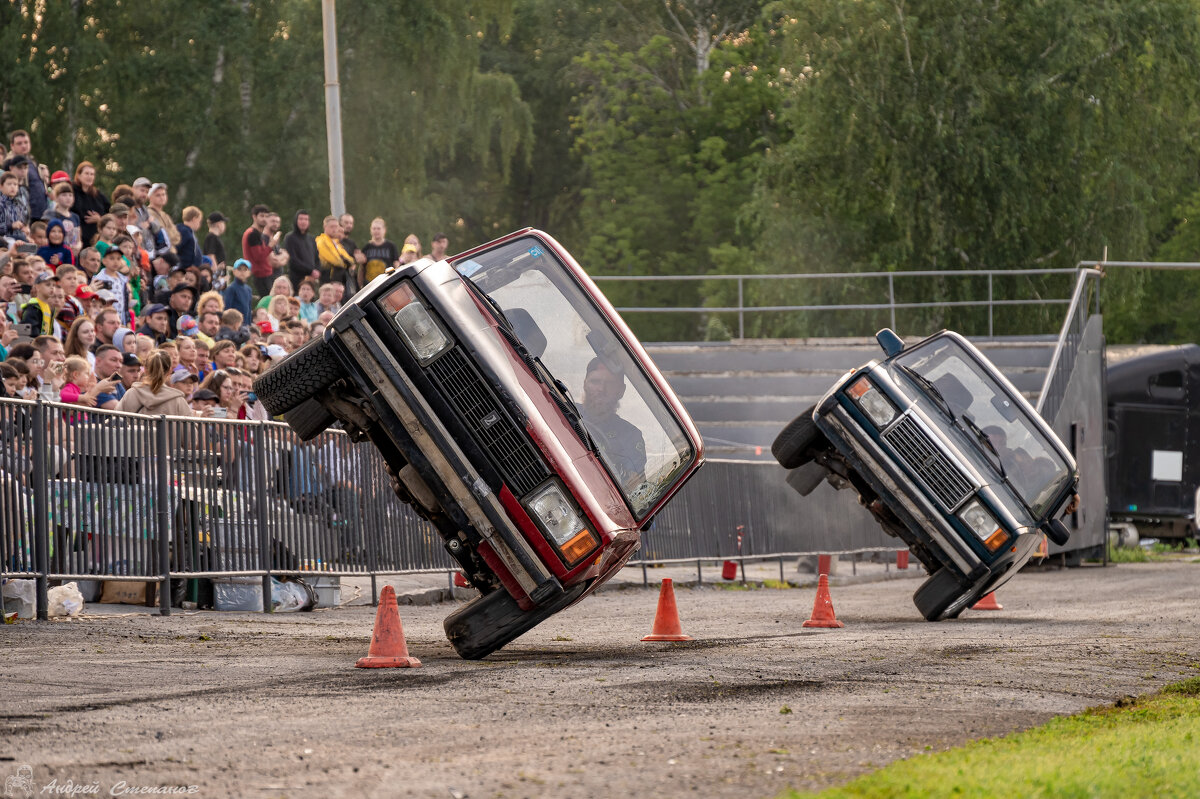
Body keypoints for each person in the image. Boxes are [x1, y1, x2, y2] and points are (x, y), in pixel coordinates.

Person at [580, 357, 646, 488]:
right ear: (585, 384)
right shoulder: (562, 411)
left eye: (610, 383)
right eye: (595, 381)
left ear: (621, 391)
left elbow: (633, 488)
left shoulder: (631, 437)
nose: (601, 389)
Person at [116, 350, 194, 416]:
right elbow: (191, 432)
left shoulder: (131, 394)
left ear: (145, 369)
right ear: (170, 371)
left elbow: (115, 423)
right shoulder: (178, 402)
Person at [7, 129, 47, 220]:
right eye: (19, 143)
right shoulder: (9, 163)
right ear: (12, 146)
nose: (24, 146)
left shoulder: (31, 161)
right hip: (25, 215)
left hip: (41, 212)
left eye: (26, 142)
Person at [70, 161, 110, 247]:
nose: (89, 177)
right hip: (77, 239)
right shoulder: (72, 191)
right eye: (87, 173)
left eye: (92, 174)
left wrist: (100, 219)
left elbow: (109, 213)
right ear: (79, 175)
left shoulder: (97, 195)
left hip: (95, 239)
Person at [241, 204, 273, 297]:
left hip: (261, 274)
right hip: (259, 275)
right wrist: (271, 246)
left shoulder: (257, 233)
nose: (264, 219)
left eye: (266, 216)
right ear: (254, 217)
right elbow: (259, 257)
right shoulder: (253, 234)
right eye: (261, 216)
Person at [41, 182, 81, 253]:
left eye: (70, 195)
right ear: (56, 198)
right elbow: (45, 236)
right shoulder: (50, 214)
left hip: (72, 255)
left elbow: (79, 238)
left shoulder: (75, 217)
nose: (68, 198)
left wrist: (78, 246)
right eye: (64, 195)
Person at [284, 209, 319, 289]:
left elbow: (317, 258)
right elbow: (293, 259)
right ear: (296, 221)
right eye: (301, 219)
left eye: (306, 219)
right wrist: (310, 271)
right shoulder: (290, 238)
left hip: (311, 279)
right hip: (296, 279)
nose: (303, 222)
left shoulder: (311, 238)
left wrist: (317, 270)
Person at [315, 215, 354, 285]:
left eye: (336, 227)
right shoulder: (321, 241)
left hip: (340, 278)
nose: (334, 229)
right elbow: (336, 261)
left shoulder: (336, 243)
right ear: (325, 227)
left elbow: (351, 260)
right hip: (328, 279)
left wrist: (346, 261)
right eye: (331, 227)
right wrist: (346, 263)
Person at [359, 217, 399, 285]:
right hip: (369, 284)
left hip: (386, 283)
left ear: (384, 230)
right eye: (374, 229)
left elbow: (396, 265)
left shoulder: (391, 247)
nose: (376, 231)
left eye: (378, 228)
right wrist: (360, 285)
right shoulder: (366, 248)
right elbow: (361, 269)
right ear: (370, 230)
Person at [92, 344, 126, 409]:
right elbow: (118, 408)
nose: (119, 365)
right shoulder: (92, 384)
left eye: (121, 361)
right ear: (98, 361)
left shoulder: (117, 384)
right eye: (113, 360)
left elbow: (129, 404)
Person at [146, 183, 178, 250]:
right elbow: (160, 236)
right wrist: (168, 233)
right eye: (158, 195)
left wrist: (167, 234)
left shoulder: (165, 215)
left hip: (171, 254)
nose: (162, 197)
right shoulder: (148, 213)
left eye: (163, 194)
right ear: (149, 197)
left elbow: (177, 237)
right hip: (159, 255)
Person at [223, 259, 253, 323]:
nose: (242, 272)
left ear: (249, 273)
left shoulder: (248, 289)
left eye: (245, 269)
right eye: (239, 269)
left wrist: (249, 325)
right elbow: (227, 308)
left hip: (245, 325)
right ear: (234, 271)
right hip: (234, 324)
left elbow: (249, 309)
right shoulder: (231, 288)